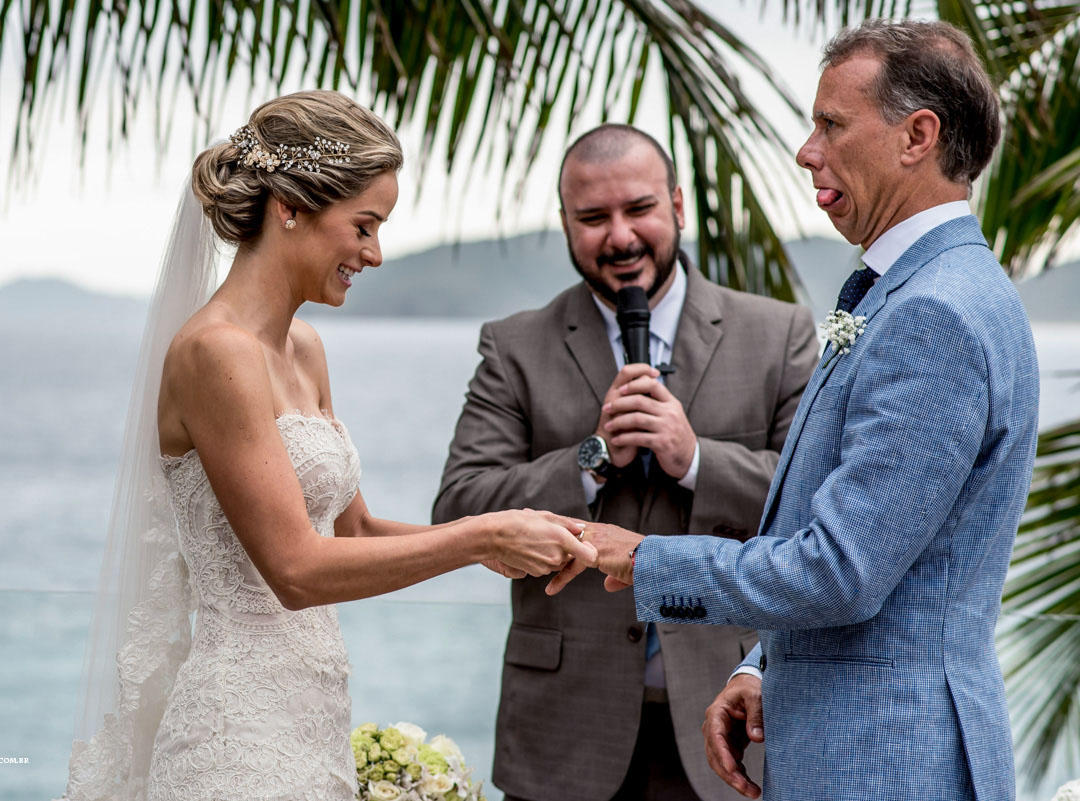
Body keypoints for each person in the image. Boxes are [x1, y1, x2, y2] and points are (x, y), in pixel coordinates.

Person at [54, 90, 596, 801]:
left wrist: (511, 540)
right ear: (290, 208)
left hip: (313, 721)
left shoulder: (304, 349)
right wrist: (478, 532)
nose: (374, 253)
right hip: (235, 741)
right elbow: (296, 568)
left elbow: (357, 530)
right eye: (364, 225)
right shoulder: (214, 352)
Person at [551, 19, 1039, 801]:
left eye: (831, 124)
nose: (808, 150)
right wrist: (762, 665)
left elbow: (842, 569)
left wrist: (643, 558)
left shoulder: (934, 313)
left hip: (885, 762)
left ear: (918, 135)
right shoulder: (924, 289)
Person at [432, 123, 819, 801]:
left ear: (675, 203)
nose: (619, 236)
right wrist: (592, 457)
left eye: (638, 209)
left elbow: (814, 509)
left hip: (727, 727)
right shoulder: (514, 345)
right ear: (565, 224)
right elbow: (461, 508)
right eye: (592, 218)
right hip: (562, 733)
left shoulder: (778, 333)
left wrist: (695, 457)